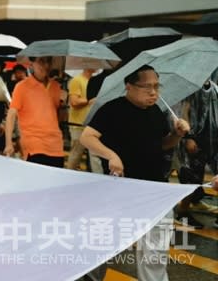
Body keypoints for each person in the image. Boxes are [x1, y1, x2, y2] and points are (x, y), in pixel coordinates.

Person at [79, 65, 190, 281]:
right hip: (119, 189)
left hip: (155, 189)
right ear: (128, 86)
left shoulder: (157, 112)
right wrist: (111, 155)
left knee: (155, 251)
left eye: (157, 87)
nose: (153, 92)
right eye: (146, 87)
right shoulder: (111, 110)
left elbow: (162, 145)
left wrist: (176, 135)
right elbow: (87, 137)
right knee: (103, 243)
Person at [4, 56, 65, 167]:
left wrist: (65, 103)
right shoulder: (21, 87)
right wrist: (8, 143)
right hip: (34, 144)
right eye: (41, 61)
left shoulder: (56, 86)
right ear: (32, 64)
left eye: (48, 61)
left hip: (56, 145)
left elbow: (58, 118)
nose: (45, 66)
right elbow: (11, 114)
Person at [174, 76, 218, 228]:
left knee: (203, 176)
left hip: (210, 138)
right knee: (191, 177)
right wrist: (188, 138)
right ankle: (182, 211)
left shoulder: (212, 87)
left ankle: (196, 201)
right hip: (193, 138)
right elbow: (183, 111)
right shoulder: (189, 87)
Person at [65, 68, 96, 171]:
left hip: (90, 125)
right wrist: (89, 100)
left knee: (93, 156)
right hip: (78, 125)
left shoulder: (95, 81)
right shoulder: (76, 80)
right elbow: (74, 102)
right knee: (76, 155)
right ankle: (69, 175)